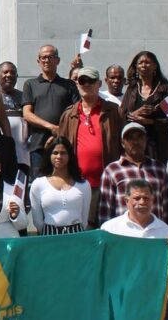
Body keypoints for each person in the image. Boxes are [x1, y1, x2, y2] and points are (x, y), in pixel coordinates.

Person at [100, 179, 168, 320]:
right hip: (122, 298)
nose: (142, 202)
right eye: (137, 198)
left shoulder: (165, 230)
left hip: (155, 299)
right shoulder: (110, 229)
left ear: (152, 201)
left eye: (146, 198)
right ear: (126, 201)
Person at [57, 67, 123, 228]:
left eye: (91, 81)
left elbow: (124, 144)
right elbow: (60, 147)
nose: (86, 84)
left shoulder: (113, 111)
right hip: (77, 183)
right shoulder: (69, 114)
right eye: (82, 81)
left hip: (106, 182)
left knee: (107, 228)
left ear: (99, 83)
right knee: (80, 228)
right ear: (77, 84)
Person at [99, 123, 168, 230]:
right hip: (123, 235)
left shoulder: (159, 169)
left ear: (146, 141)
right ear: (123, 143)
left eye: (140, 137)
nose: (135, 142)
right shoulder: (112, 170)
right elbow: (105, 209)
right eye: (130, 138)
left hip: (154, 233)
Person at [22, 45, 79, 177]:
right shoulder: (30, 84)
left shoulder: (69, 85)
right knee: (39, 184)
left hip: (63, 144)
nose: (46, 60)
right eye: (43, 57)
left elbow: (75, 114)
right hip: (38, 146)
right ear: (38, 61)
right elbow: (27, 114)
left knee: (63, 181)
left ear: (58, 60)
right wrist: (51, 127)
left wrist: (58, 134)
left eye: (50, 57)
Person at [120, 51, 168, 166]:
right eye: (140, 63)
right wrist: (135, 113)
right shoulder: (131, 89)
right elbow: (122, 115)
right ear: (136, 67)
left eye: (147, 62)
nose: (143, 65)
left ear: (154, 66)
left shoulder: (164, 89)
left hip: (158, 144)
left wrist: (149, 121)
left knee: (155, 180)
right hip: (135, 144)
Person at [30, 137, 91, 234]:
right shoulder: (38, 184)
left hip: (77, 236)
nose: (59, 156)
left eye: (63, 153)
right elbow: (37, 221)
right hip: (49, 236)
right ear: (49, 156)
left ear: (69, 156)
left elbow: (84, 219)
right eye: (55, 153)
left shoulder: (83, 185)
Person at [0, 61, 30, 172]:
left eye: (12, 72)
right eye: (5, 72)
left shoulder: (25, 96)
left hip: (23, 156)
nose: (9, 75)